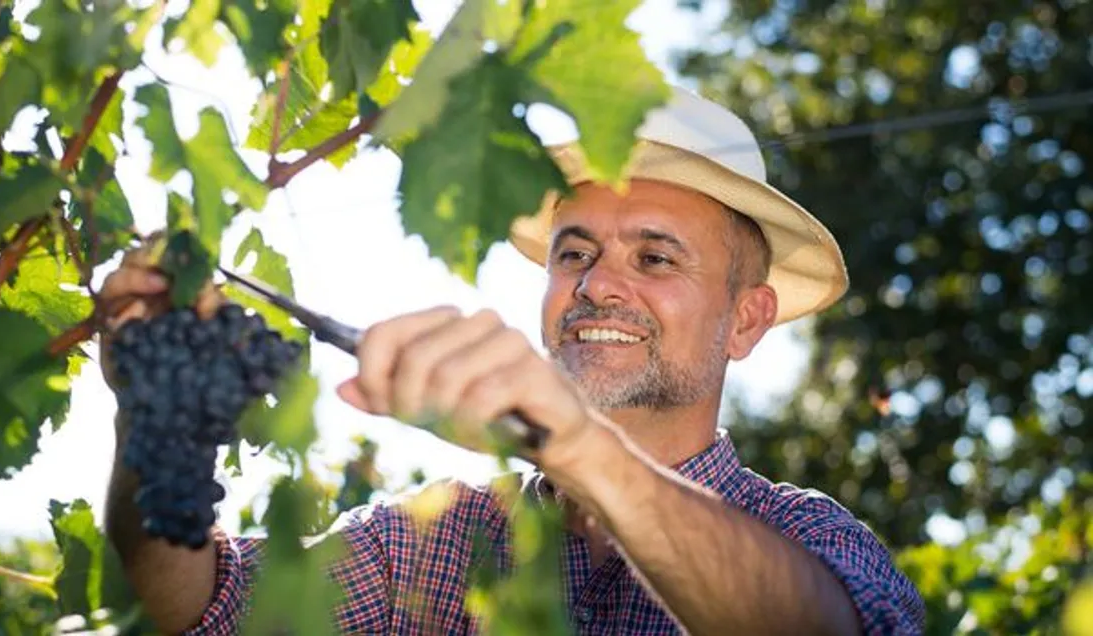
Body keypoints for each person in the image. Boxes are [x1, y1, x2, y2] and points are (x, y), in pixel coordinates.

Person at [99, 88, 925, 635]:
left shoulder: (806, 539)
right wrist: (153, 412)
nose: (598, 286)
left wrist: (577, 447)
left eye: (656, 260)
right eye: (574, 254)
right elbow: (209, 614)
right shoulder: (426, 542)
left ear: (747, 320)